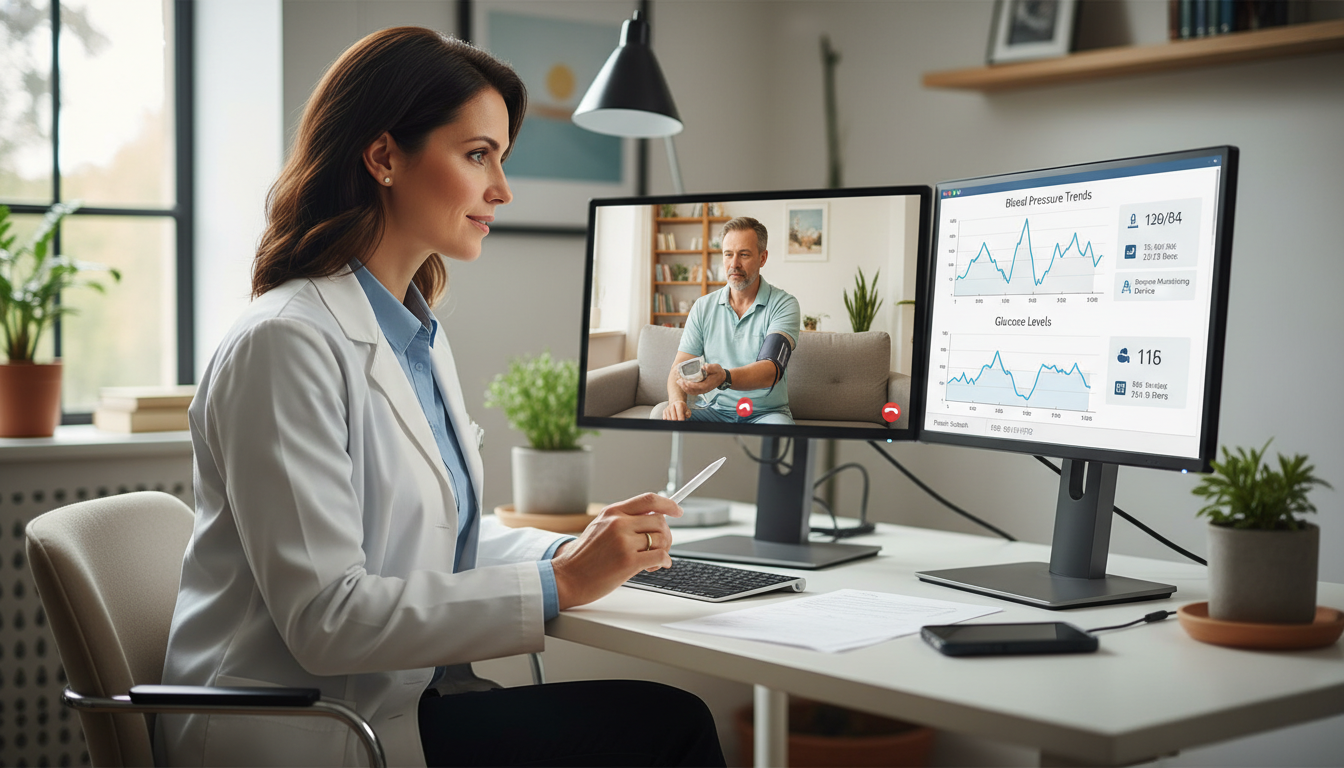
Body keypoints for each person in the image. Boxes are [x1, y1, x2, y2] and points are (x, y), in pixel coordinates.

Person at [156, 27, 725, 768]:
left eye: (501, 159)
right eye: (477, 154)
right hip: (305, 727)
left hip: (395, 702)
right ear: (384, 156)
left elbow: (431, 544)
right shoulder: (285, 342)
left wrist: (573, 549)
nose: (502, 189)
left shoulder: (413, 333)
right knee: (668, 725)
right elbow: (327, 619)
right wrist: (561, 583)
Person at [663, 217, 801, 425]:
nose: (734, 264)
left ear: (762, 258)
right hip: (712, 411)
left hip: (764, 414)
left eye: (744, 255)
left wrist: (724, 377)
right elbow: (679, 367)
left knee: (781, 429)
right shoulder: (703, 306)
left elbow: (771, 369)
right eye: (728, 254)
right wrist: (676, 401)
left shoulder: (784, 304)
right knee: (660, 416)